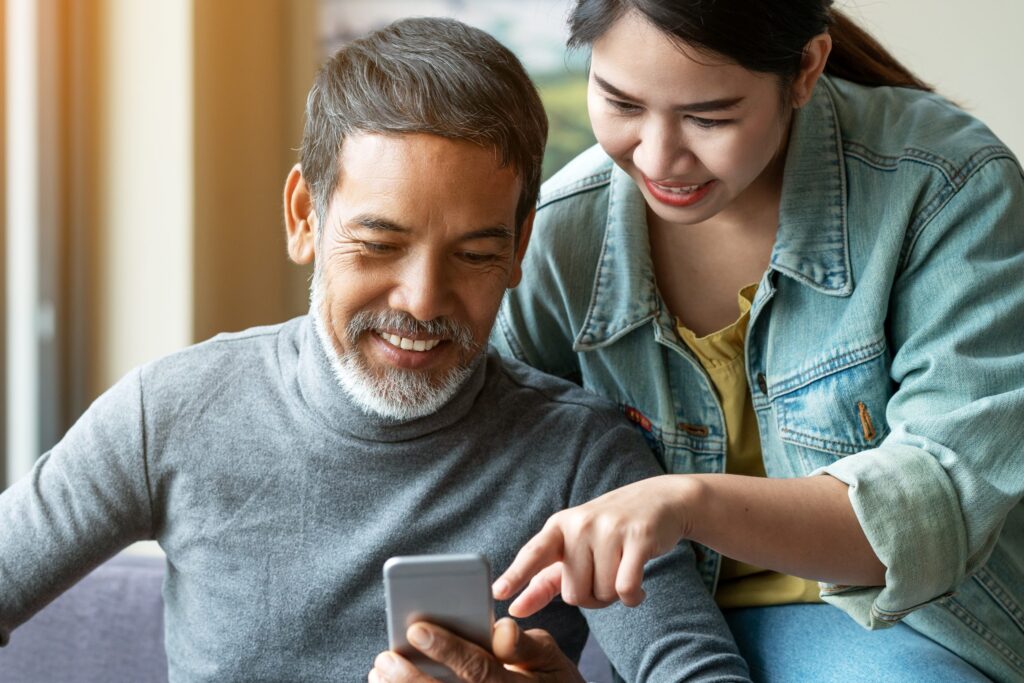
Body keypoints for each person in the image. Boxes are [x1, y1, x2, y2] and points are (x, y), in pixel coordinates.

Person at [0, 17, 751, 683]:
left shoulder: (582, 457)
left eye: (473, 255)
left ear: (521, 248)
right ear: (303, 216)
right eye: (379, 244)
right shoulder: (167, 412)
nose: (423, 301)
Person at [489, 1, 1024, 681]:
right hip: (655, 627)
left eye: (708, 118)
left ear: (805, 69)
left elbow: (936, 502)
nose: (657, 157)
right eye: (620, 102)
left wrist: (686, 504)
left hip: (892, 622)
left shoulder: (943, 185)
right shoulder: (561, 238)